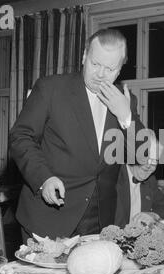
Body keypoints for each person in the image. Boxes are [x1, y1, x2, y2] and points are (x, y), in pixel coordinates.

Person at [9, 28, 144, 241]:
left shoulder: (125, 100)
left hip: (100, 220)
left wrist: (125, 116)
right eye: (95, 64)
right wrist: (43, 178)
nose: (100, 74)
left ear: (119, 70)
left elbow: (140, 155)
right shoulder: (51, 88)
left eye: (109, 68)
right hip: (49, 216)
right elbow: (20, 137)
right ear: (84, 57)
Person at [115, 157, 164, 228]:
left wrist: (153, 215)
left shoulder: (150, 180)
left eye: (154, 161)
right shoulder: (114, 176)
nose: (148, 166)